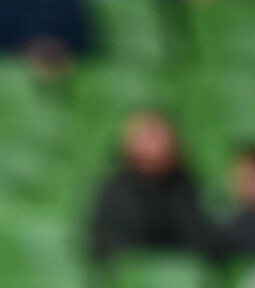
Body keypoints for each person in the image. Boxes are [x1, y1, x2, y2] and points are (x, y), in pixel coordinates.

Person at [89, 110, 215, 262]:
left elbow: (199, 242)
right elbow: (108, 246)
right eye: (146, 138)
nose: (154, 145)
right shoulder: (115, 189)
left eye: (157, 137)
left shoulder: (186, 186)